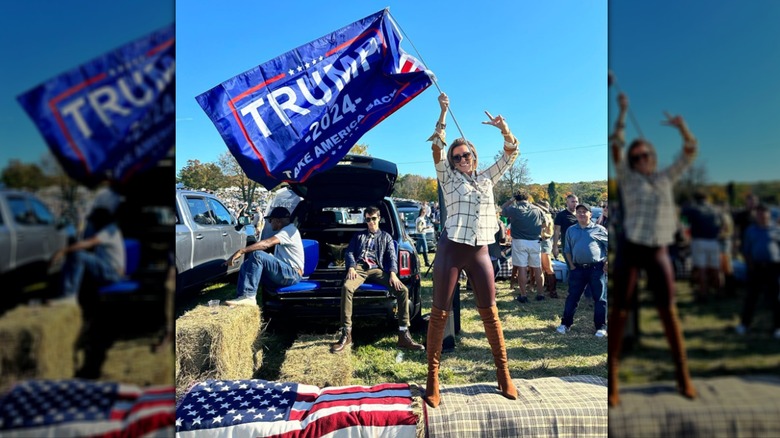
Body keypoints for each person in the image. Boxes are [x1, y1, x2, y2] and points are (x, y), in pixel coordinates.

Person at [423, 92, 519, 408]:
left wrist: (504, 130)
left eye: (466, 155)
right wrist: (442, 114)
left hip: (480, 251)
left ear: (474, 157)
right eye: (458, 157)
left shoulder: (487, 178)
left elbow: (510, 154)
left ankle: (503, 374)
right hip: (452, 249)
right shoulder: (448, 178)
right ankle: (433, 378)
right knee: (439, 313)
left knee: (490, 313)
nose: (462, 160)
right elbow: (437, 148)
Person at [608, 92, 698, 406]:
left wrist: (682, 127)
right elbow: (615, 145)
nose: (641, 160)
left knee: (668, 311)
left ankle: (682, 374)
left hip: (659, 250)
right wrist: (622, 112)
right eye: (637, 157)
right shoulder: (627, 178)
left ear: (653, 157)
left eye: (646, 155)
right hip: (632, 249)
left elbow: (689, 152)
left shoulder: (664, 177)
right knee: (619, 311)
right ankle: (613, 377)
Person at [330, 206, 425, 353]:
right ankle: (346, 333)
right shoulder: (358, 236)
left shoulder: (386, 237)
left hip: (378, 269)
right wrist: (351, 267)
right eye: (368, 219)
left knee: (403, 291)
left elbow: (392, 257)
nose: (371, 222)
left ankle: (403, 335)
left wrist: (393, 273)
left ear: (379, 218)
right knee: (347, 287)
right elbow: (349, 252)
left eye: (373, 218)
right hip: (360, 268)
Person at [223, 207, 304, 306]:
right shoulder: (287, 230)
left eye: (270, 220)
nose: (269, 223)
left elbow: (267, 243)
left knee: (257, 255)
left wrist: (241, 251)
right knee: (247, 264)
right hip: (287, 273)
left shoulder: (289, 230)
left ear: (278, 221)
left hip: (292, 274)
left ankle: (249, 297)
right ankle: (241, 297)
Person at [50, 207, 124, 302]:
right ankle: (62, 294)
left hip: (112, 273)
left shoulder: (109, 230)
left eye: (94, 221)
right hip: (107, 269)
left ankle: (68, 297)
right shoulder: (106, 230)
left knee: (78, 255)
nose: (92, 224)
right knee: (75, 257)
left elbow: (89, 243)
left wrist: (63, 251)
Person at [557, 203, 608, 337]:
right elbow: (567, 249)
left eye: (584, 212)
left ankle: (601, 326)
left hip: (596, 268)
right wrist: (572, 266)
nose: (581, 214)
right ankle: (565, 324)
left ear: (590, 214)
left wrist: (607, 262)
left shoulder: (599, 229)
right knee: (572, 297)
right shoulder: (571, 230)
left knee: (600, 299)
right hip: (577, 269)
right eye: (579, 211)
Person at [734, 204, 780, 338]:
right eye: (758, 214)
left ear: (769, 214)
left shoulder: (776, 229)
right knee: (751, 297)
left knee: (776, 298)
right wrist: (750, 265)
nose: (761, 216)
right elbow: (746, 250)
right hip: (756, 267)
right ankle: (744, 324)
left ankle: (778, 327)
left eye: (764, 213)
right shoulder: (750, 230)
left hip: (774, 267)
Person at [501, 191, 546, 302]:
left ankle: (523, 295)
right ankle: (540, 293)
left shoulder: (514, 209)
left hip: (519, 241)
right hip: (535, 240)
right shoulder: (537, 209)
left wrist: (511, 200)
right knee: (537, 268)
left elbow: (502, 209)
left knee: (522, 268)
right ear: (528, 198)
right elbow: (544, 224)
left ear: (516, 199)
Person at [681, 192, 723, 302]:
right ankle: (719, 292)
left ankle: (703, 294)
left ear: (695, 199)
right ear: (706, 198)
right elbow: (722, 224)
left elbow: (683, 220)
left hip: (699, 240)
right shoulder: (715, 209)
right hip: (714, 241)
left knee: (702, 268)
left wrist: (686, 231)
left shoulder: (693, 208)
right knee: (716, 269)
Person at [536, 200, 558, 297]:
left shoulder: (545, 216)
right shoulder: (546, 216)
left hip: (544, 241)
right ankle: (548, 287)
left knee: (547, 266)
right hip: (543, 241)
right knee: (544, 267)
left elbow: (542, 228)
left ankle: (552, 290)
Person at [553, 194, 579, 260]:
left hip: (579, 244)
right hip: (567, 245)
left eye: (576, 202)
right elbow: (556, 231)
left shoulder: (580, 214)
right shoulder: (561, 215)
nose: (575, 204)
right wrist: (555, 246)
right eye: (572, 202)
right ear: (567, 203)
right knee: (571, 266)